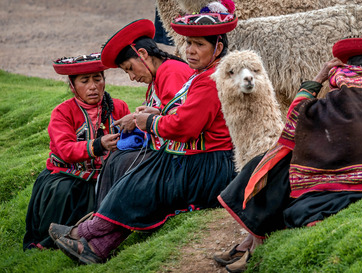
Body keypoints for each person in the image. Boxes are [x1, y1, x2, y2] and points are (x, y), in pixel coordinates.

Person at [213, 35, 362, 273]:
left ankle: (255, 246)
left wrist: (318, 79)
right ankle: (250, 244)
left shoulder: (343, 99)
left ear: (348, 68)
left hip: (345, 190)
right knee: (282, 163)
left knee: (274, 165)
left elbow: (296, 121)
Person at [48, 1, 239, 265]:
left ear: (218, 47)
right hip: (201, 159)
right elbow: (182, 116)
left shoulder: (206, 80)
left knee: (143, 180)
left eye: (200, 45)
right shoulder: (203, 74)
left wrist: (147, 122)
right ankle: (96, 248)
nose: (190, 51)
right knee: (142, 179)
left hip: (208, 165)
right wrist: (154, 115)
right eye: (188, 43)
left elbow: (184, 127)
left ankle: (84, 231)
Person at [23, 53, 130, 250]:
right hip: (66, 174)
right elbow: (65, 150)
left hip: (104, 175)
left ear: (104, 81)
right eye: (85, 81)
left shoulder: (119, 107)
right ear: (73, 86)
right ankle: (47, 241)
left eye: (97, 79)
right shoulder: (62, 112)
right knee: (64, 191)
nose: (92, 86)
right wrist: (98, 145)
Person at [95, 19, 193, 208]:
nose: (132, 77)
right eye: (127, 73)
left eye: (130, 68)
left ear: (142, 54)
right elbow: (165, 111)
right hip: (169, 150)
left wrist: (138, 120)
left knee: (123, 162)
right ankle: (101, 215)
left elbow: (179, 121)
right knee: (116, 159)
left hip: (181, 157)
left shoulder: (170, 72)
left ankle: (105, 218)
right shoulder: (159, 76)